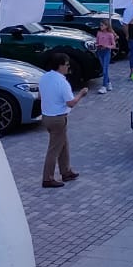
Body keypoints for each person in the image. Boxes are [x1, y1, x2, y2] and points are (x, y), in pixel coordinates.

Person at [38, 54, 86, 187]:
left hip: (47, 117)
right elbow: (71, 103)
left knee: (63, 144)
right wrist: (81, 94)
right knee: (54, 149)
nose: (68, 67)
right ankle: (47, 178)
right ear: (60, 66)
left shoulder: (44, 77)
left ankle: (66, 171)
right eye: (66, 65)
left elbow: (40, 96)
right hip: (58, 119)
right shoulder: (62, 82)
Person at [94, 19, 117, 94]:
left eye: (102, 25)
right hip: (100, 52)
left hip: (106, 52)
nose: (101, 27)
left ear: (106, 26)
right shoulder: (99, 33)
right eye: (100, 25)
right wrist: (97, 45)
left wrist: (107, 46)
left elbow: (114, 45)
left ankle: (104, 86)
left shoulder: (110, 34)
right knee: (104, 70)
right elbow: (96, 42)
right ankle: (109, 83)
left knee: (105, 69)